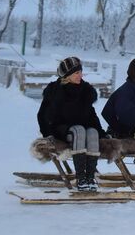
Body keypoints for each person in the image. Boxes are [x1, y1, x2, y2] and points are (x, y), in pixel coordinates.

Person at [37, 56, 106, 191]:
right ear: (67, 75)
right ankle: (80, 178)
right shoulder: (55, 91)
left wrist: (102, 133)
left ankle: (90, 178)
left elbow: (92, 115)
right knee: (79, 130)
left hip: (82, 131)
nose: (81, 75)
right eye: (76, 73)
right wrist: (48, 135)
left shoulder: (85, 90)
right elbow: (42, 115)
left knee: (92, 132)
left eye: (80, 72)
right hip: (60, 130)